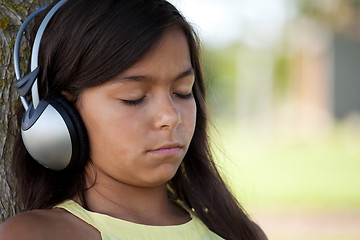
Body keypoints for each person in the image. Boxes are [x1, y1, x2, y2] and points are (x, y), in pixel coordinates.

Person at [0, 0, 267, 239]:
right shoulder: (34, 235)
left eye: (182, 92)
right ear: (59, 116)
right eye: (134, 97)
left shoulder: (239, 232)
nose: (171, 117)